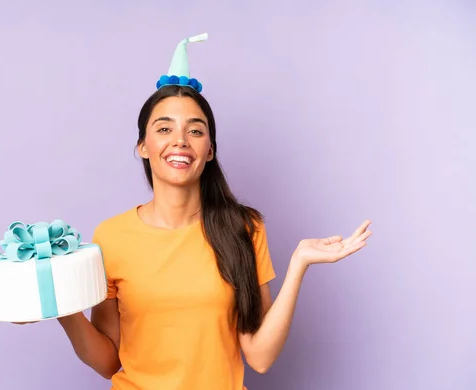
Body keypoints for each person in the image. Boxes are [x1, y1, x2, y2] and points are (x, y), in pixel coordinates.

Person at [19, 33, 372, 390]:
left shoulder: (243, 229)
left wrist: (298, 264)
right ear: (143, 146)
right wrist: (61, 307)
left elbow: (260, 358)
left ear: (210, 150)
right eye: (164, 128)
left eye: (195, 130)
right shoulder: (110, 237)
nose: (180, 140)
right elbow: (109, 362)